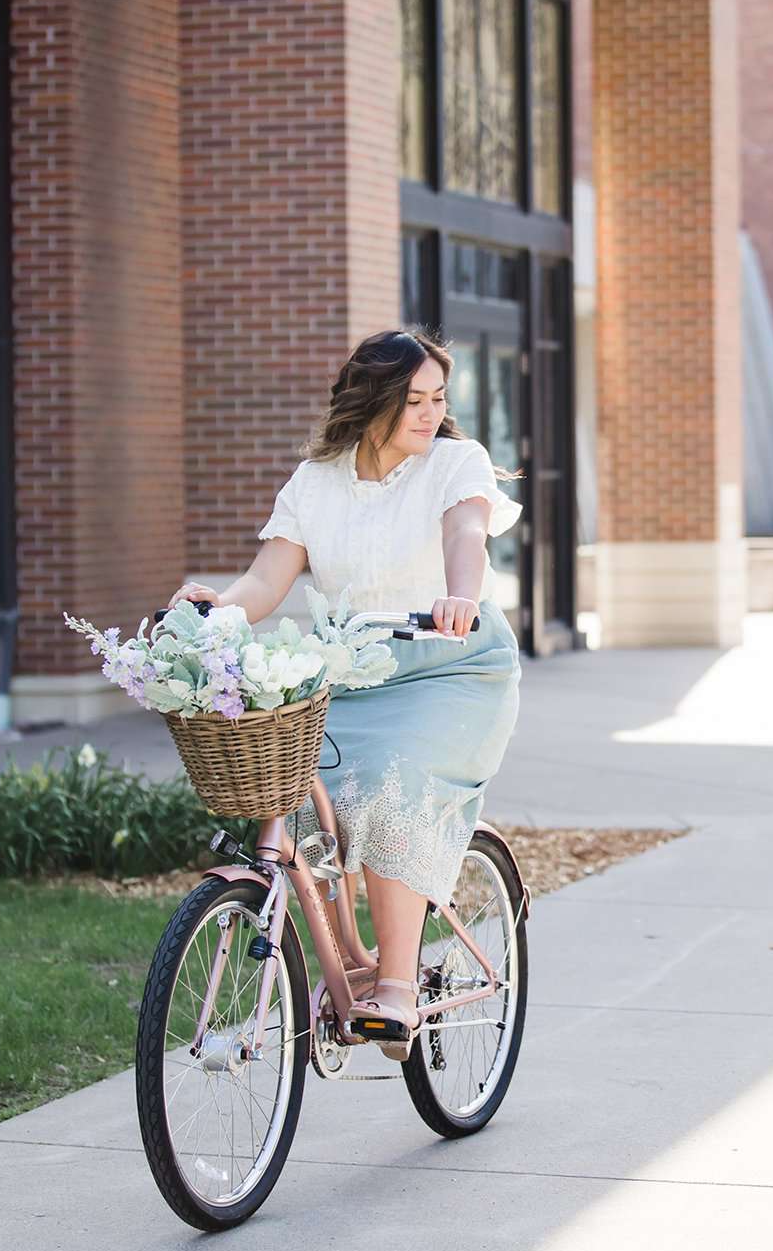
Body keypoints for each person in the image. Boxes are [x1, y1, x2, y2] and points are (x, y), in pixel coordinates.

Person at [167, 327, 523, 1060]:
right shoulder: (317, 481)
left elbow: (467, 534)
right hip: (353, 671)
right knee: (302, 799)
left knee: (394, 792)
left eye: (437, 399)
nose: (429, 414)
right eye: (413, 401)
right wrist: (218, 607)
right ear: (372, 405)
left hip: (449, 667)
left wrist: (460, 597)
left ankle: (395, 985)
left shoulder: (456, 463)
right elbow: (268, 580)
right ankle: (350, 963)